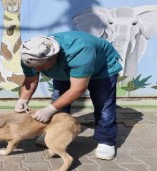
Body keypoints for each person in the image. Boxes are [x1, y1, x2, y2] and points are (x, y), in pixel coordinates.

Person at [15, 31, 122, 160]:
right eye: (34, 66)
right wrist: (23, 99)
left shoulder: (79, 50)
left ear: (53, 57)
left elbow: (77, 89)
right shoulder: (31, 54)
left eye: (41, 66)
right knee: (58, 102)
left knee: (103, 105)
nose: (37, 70)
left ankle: (106, 140)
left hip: (102, 68)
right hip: (66, 68)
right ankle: (55, 134)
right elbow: (31, 79)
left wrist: (49, 110)